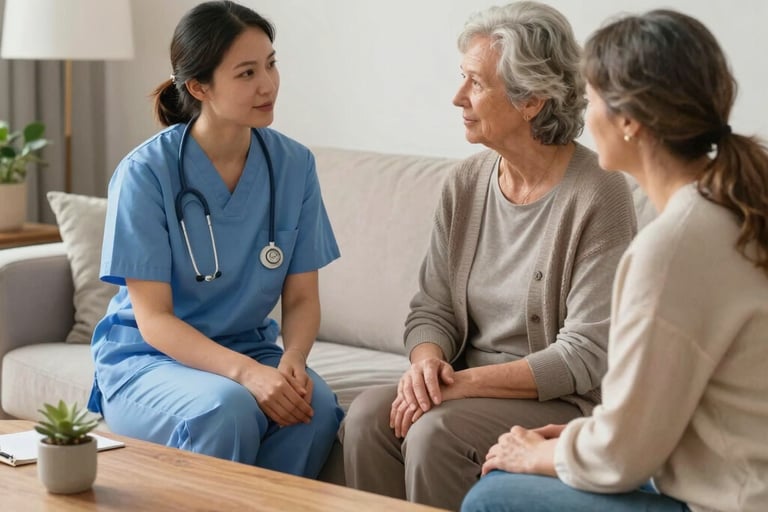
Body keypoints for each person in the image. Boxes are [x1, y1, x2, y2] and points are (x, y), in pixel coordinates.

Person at [461, 9, 768, 512]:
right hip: (722, 478)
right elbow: (649, 419)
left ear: (629, 121)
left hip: (730, 501)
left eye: (593, 96)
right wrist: (578, 439)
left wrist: (537, 453)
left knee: (492, 497)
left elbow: (621, 457)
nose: (584, 114)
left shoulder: (672, 249)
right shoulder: (730, 211)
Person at [341, 2, 637, 509]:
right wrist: (427, 367)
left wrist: (458, 386)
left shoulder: (599, 193)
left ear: (531, 100)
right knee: (367, 416)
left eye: (475, 83)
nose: (458, 97)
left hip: (560, 400)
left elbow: (584, 354)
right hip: (464, 385)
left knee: (434, 432)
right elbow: (431, 309)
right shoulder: (464, 183)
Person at [86, 1, 343, 478]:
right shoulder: (146, 173)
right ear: (199, 87)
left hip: (249, 347)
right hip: (150, 358)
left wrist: (292, 358)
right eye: (246, 73)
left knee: (316, 408)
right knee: (227, 408)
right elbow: (154, 320)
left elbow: (302, 298)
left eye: (270, 64)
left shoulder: (294, 166)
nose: (268, 85)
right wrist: (247, 374)